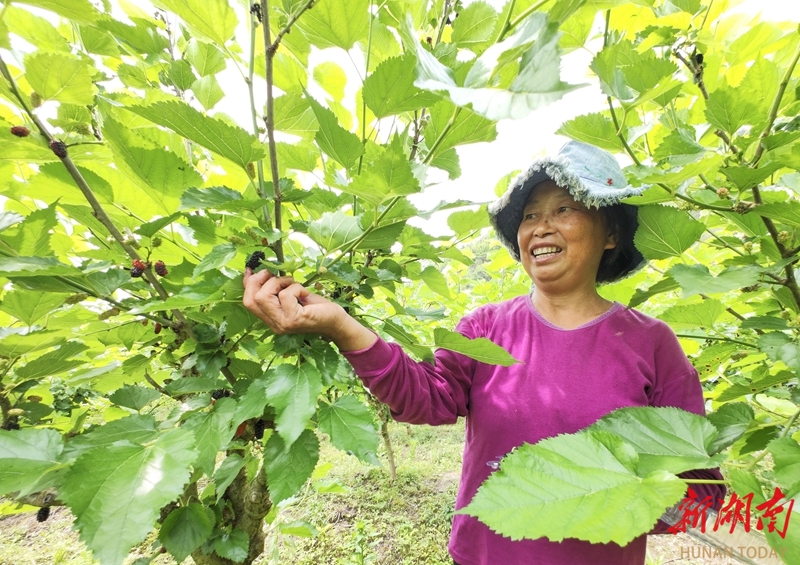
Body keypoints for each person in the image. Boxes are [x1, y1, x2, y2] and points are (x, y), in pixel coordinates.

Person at [242, 140, 726, 565]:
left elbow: (700, 491)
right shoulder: (485, 327)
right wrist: (342, 326)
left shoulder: (652, 343)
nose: (541, 227)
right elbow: (426, 400)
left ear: (612, 233)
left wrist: (603, 500)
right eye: (530, 215)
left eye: (563, 209)